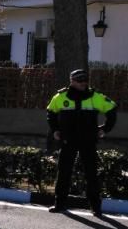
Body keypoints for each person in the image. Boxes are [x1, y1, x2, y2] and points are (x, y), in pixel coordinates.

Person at [46, 68, 117, 215]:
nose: (83, 83)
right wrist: (55, 130)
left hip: (88, 140)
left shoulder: (95, 96)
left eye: (85, 80)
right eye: (80, 80)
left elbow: (112, 110)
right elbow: (51, 113)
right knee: (64, 172)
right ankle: (59, 205)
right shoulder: (60, 97)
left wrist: (105, 129)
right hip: (68, 140)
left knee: (91, 174)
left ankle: (96, 208)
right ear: (71, 81)